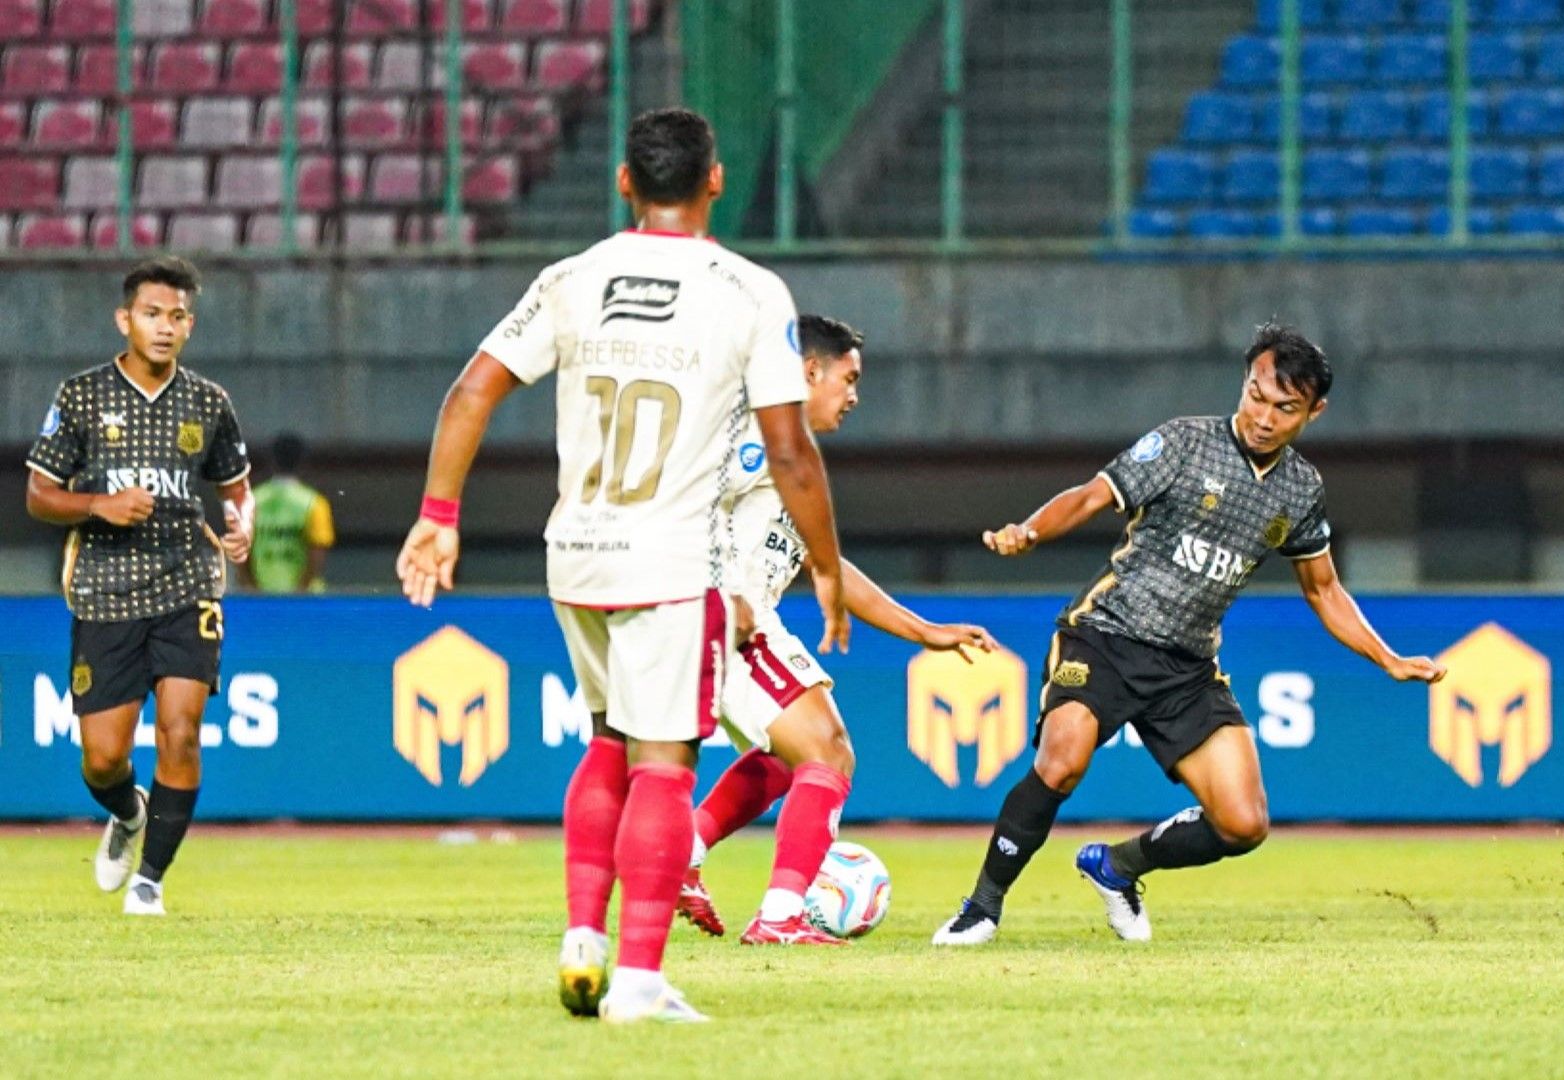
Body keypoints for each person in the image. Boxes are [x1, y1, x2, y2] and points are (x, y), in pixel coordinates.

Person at [396, 108, 850, 1023]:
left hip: (575, 551)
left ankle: (582, 937)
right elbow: (792, 453)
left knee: (605, 741)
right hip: (670, 562)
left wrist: (438, 516)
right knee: (663, 761)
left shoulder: (573, 277)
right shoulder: (750, 292)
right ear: (715, 180)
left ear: (622, 181)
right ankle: (639, 980)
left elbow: (471, 390)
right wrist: (829, 567)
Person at [933, 322, 1446, 946]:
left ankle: (1117, 867)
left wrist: (1387, 658)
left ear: (1315, 411)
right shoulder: (1184, 442)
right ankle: (982, 908)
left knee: (1244, 823)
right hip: (1106, 635)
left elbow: (1324, 589)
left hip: (1188, 667)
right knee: (1063, 758)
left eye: (1285, 408)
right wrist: (1031, 531)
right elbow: (1095, 494)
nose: (1263, 416)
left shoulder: (1301, 490)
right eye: (1256, 394)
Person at [665, 314, 1001, 944]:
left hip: (729, 616)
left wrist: (922, 631)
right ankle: (780, 917)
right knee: (829, 748)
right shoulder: (763, 429)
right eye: (848, 378)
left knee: (790, 759)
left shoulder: (787, 448)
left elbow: (827, 565)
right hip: (724, 616)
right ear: (808, 370)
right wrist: (712, 594)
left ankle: (685, 850)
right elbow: (684, 494)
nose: (854, 395)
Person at [24, 256, 254, 917]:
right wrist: (99, 505)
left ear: (190, 325)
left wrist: (241, 528)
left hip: (188, 584)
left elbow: (235, 486)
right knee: (102, 760)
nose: (164, 326)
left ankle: (150, 880)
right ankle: (128, 813)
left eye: (177, 316)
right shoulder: (81, 397)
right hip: (105, 591)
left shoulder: (209, 402)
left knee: (181, 732)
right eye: (152, 314)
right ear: (125, 319)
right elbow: (39, 494)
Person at [247, 433, 334, 593]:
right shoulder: (314, 503)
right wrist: (299, 592)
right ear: (302, 463)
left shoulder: (251, 500)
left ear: (271, 461)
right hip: (305, 600)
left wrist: (252, 589)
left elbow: (241, 553)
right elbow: (317, 554)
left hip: (261, 599)